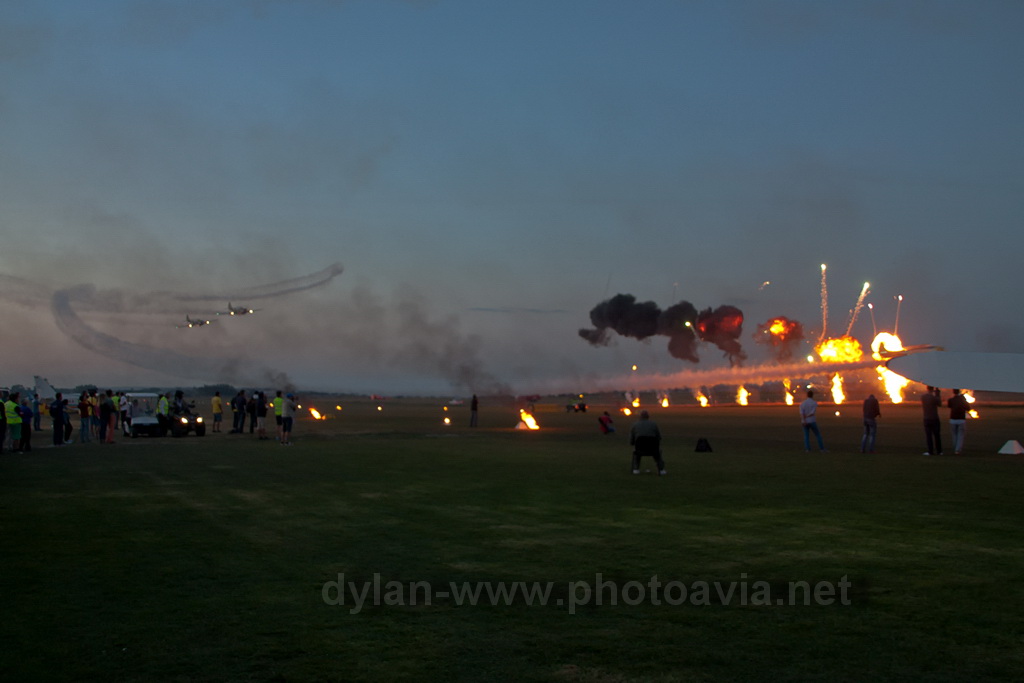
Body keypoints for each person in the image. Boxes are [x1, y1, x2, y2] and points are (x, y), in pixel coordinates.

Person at [629, 410, 665, 475]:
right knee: (657, 454)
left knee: (637, 453)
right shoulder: (654, 424)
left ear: (640, 417)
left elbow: (632, 438)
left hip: (640, 448)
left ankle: (636, 469)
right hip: (653, 448)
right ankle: (661, 469)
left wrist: (633, 443)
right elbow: (658, 437)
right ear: (648, 416)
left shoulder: (635, 425)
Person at [921, 386, 943, 456]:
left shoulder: (923, 397)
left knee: (929, 436)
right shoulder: (934, 398)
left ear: (927, 389)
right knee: (937, 436)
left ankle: (930, 451)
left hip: (926, 418)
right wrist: (937, 394)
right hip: (934, 418)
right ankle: (939, 451)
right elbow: (939, 404)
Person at [948, 388, 970, 455]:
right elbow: (968, 408)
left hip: (952, 419)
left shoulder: (951, 400)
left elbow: (949, 406)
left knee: (954, 435)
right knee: (960, 435)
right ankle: (957, 450)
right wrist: (964, 399)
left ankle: (955, 447)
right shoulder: (962, 400)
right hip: (961, 420)